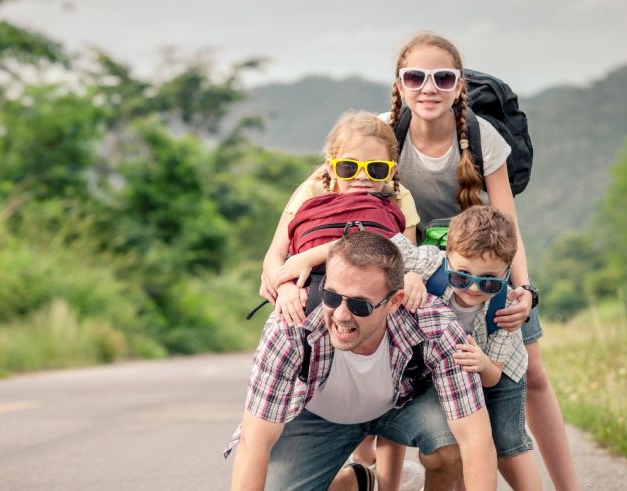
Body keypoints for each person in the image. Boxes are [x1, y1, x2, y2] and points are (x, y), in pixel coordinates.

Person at [383, 31, 579, 490]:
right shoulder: (384, 134)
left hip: (487, 266)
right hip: (423, 270)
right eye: (415, 76)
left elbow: (508, 224)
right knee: (395, 374)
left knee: (531, 371)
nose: (428, 87)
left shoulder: (480, 134)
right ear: (399, 84)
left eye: (442, 77)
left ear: (458, 85)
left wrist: (525, 291)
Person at [226, 231, 496, 490]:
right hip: (319, 418)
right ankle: (357, 482)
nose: (341, 315)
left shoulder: (435, 325)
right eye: (331, 297)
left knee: (450, 449)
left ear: (394, 302)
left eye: (360, 305)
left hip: (399, 408)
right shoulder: (289, 328)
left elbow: (475, 439)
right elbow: (254, 444)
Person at [391, 206, 541, 490]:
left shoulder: (506, 307)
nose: (473, 288)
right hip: (448, 369)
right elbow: (379, 250)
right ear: (446, 257)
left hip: (499, 369)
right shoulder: (430, 263)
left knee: (509, 442)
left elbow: (493, 376)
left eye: (487, 281)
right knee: (461, 439)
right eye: (461, 276)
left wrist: (483, 363)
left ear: (507, 273)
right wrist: (407, 275)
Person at [259, 111, 424, 330]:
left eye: (376, 168)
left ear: (391, 170)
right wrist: (286, 288)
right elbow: (275, 254)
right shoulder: (312, 191)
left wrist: (413, 276)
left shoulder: (398, 196)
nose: (362, 177)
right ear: (331, 167)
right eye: (349, 167)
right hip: (314, 289)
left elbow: (406, 254)